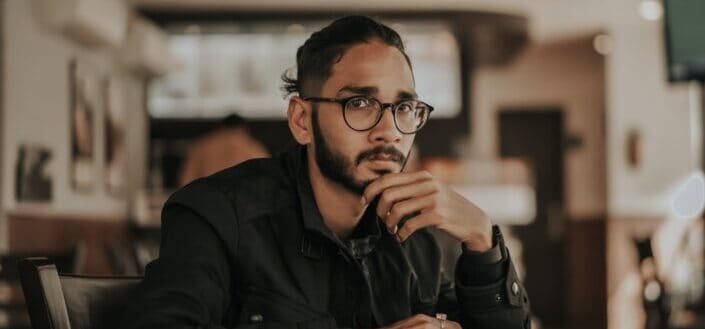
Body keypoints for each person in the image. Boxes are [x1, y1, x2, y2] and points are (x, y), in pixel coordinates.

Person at [121, 15, 530, 329]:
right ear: (301, 120)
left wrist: (481, 239)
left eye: (404, 108)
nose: (388, 130)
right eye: (359, 104)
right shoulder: (217, 215)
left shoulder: (415, 237)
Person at [178, 113, 270, 186]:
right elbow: (265, 181)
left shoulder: (202, 145)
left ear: (221, 126)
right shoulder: (253, 147)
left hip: (206, 200)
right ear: (243, 127)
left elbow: (186, 179)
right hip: (242, 202)